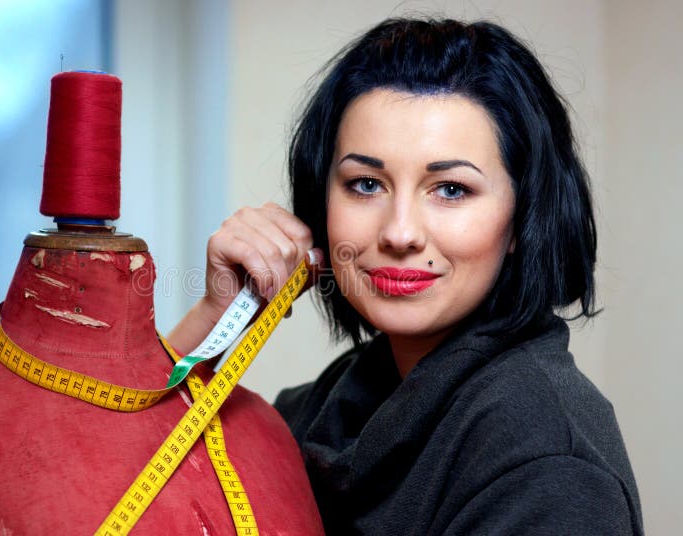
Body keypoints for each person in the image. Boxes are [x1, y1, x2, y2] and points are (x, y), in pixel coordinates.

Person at [168, 17, 643, 535]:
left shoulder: (549, 461)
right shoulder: (320, 408)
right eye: (366, 184)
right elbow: (108, 484)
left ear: (521, 218)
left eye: (451, 190)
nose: (399, 233)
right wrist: (216, 317)